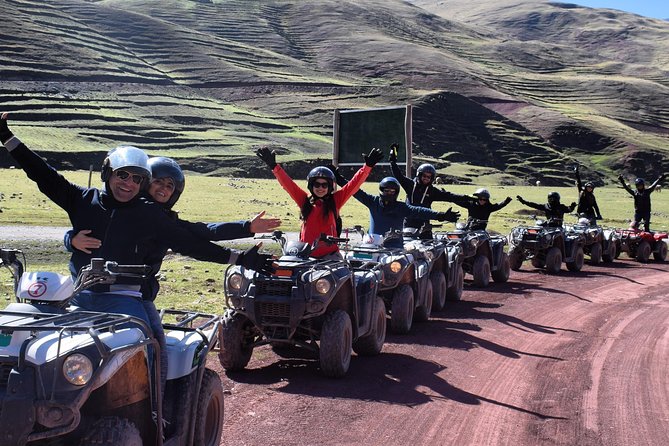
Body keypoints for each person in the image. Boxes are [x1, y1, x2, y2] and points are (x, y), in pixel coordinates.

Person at [0, 113, 274, 329]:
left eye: (137, 178)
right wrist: (8, 139)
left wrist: (238, 256)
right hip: (79, 295)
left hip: (127, 298)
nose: (128, 183)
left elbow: (191, 240)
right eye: (123, 175)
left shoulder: (149, 214)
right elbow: (44, 175)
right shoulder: (81, 199)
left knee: (153, 351)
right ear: (108, 173)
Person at [64, 156, 281, 397]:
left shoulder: (161, 218)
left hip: (135, 296)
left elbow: (197, 233)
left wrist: (245, 228)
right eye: (159, 182)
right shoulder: (132, 209)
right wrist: (71, 240)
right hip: (96, 294)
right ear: (146, 182)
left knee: (155, 351)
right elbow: (95, 223)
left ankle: (156, 405)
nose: (164, 189)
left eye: (170, 186)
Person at [256, 146, 383, 259]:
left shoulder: (336, 201)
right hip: (304, 255)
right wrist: (274, 167)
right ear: (311, 186)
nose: (320, 188)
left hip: (331, 256)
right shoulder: (304, 201)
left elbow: (353, 185)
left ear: (329, 187)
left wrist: (367, 167)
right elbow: (289, 185)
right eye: (317, 184)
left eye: (324, 185)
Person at [334, 173, 460, 248]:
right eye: (386, 190)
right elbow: (355, 191)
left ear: (396, 192)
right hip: (371, 247)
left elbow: (419, 211)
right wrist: (339, 179)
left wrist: (441, 215)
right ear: (381, 191)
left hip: (395, 248)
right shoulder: (373, 202)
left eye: (392, 191)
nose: (389, 193)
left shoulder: (401, 207)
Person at [388, 144, 459, 237]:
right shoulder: (410, 185)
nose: (426, 178)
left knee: (428, 250)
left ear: (432, 178)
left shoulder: (432, 191)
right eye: (424, 176)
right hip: (408, 226)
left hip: (425, 227)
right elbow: (398, 175)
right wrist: (392, 161)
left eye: (429, 177)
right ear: (419, 175)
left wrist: (469, 198)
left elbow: (450, 197)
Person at [442, 188, 512, 230]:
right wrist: (448, 196)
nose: (482, 201)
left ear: (487, 200)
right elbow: (458, 201)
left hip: (481, 231)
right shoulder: (471, 204)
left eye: (484, 199)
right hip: (469, 229)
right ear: (477, 198)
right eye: (480, 199)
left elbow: (498, 206)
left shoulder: (489, 207)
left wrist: (506, 201)